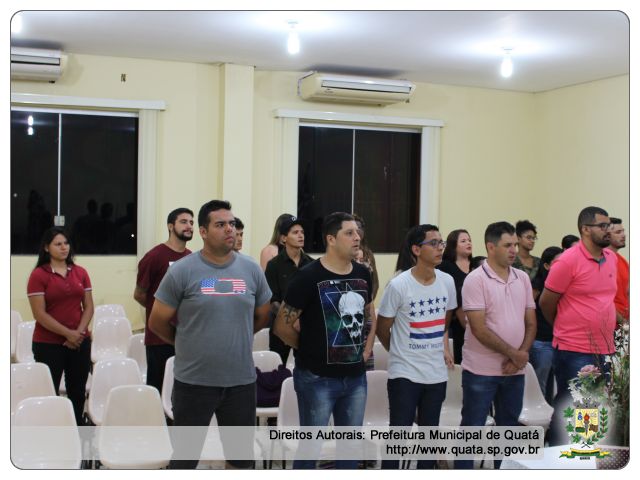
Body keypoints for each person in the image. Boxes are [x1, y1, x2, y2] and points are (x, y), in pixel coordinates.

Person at [149, 200, 272, 469]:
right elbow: (157, 322)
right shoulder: (182, 270)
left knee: (241, 460)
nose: (229, 229)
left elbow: (263, 314)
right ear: (203, 232)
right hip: (194, 383)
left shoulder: (251, 269)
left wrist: (235, 334)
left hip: (240, 382)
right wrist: (185, 340)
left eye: (232, 223)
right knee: (185, 459)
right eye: (220, 224)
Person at [273, 212, 373, 469]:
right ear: (331, 239)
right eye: (349, 233)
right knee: (311, 447)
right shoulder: (307, 277)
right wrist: (308, 349)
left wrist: (366, 349)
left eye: (357, 232)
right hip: (316, 378)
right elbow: (282, 326)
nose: (357, 237)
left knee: (350, 448)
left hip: (355, 377)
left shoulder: (363, 273)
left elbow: (368, 315)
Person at [455, 221, 536, 469]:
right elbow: (478, 329)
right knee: (472, 427)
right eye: (507, 245)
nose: (514, 249)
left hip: (515, 370)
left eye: (515, 244)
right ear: (491, 247)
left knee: (508, 428)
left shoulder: (521, 277)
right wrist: (515, 354)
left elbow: (531, 323)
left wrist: (519, 356)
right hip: (481, 370)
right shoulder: (475, 280)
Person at [377, 224, 456, 469]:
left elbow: (446, 319)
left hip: (435, 373)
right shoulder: (399, 285)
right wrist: (399, 352)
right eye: (433, 243)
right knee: (398, 435)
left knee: (429, 436)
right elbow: (382, 327)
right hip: (405, 374)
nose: (439, 248)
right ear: (416, 249)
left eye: (441, 243)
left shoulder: (447, 281)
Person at [539, 206, 618, 446]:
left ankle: (583, 457)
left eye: (609, 226)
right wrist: (563, 327)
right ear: (585, 229)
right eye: (602, 226)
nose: (608, 230)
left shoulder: (612, 258)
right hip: (574, 348)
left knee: (592, 407)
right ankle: (554, 458)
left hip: (605, 348)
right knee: (569, 406)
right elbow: (546, 302)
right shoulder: (567, 261)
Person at [27, 227, 94, 425]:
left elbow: (88, 306)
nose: (64, 247)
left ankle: (76, 432)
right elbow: (39, 314)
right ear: (47, 248)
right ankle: (53, 433)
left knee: (77, 391)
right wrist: (68, 334)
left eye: (66, 243)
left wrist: (78, 333)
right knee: (50, 392)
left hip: (80, 342)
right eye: (58, 244)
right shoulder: (39, 275)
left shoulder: (80, 272)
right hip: (48, 343)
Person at [134, 207, 194, 392]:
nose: (189, 226)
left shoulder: (191, 258)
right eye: (184, 222)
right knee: (158, 388)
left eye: (192, 222)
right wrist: (161, 311)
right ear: (170, 226)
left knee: (182, 389)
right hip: (159, 337)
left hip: (185, 335)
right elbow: (139, 294)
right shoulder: (154, 256)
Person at [265, 216, 313, 364]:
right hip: (280, 328)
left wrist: (301, 321)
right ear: (284, 238)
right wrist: (291, 320)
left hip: (306, 328)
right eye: (295, 232)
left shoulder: (312, 264)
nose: (300, 235)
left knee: (306, 369)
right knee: (278, 369)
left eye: (302, 232)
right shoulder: (274, 265)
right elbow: (273, 300)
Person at [529, 246, 563, 405]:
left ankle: (549, 422)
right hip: (541, 341)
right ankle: (539, 421)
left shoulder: (563, 283)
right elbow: (527, 308)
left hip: (557, 340)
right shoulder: (537, 285)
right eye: (558, 262)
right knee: (539, 385)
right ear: (546, 266)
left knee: (552, 386)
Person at [437, 228, 473, 364]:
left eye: (469, 240)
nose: (468, 243)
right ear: (453, 245)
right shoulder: (445, 267)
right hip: (454, 323)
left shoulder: (477, 264)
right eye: (463, 241)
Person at [353, 213, 379, 371]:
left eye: (360, 228)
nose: (357, 232)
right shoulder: (344, 255)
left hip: (366, 302)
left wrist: (368, 298)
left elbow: (374, 281)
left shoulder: (368, 253)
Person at [607, 217, 629, 321]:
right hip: (610, 325)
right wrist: (623, 323)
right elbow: (604, 300)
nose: (623, 235)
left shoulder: (623, 261)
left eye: (623, 231)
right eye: (618, 232)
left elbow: (628, 291)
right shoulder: (602, 261)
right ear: (607, 236)